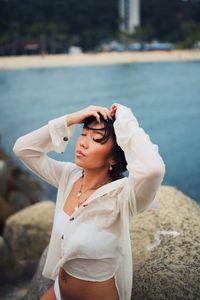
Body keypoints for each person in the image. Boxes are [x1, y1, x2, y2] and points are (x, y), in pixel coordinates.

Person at [13, 103, 165, 300]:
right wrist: (71, 118)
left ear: (112, 158)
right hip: (59, 291)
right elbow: (23, 149)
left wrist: (126, 120)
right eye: (83, 134)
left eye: (96, 139)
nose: (83, 143)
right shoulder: (69, 176)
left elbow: (153, 170)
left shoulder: (124, 196)